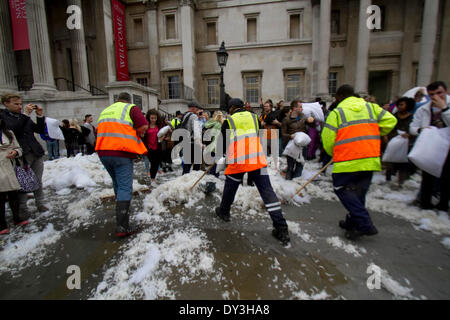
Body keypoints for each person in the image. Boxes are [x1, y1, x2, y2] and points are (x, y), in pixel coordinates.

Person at [321, 84, 397, 240]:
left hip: (347, 159)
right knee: (358, 193)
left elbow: (327, 139)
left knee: (342, 188)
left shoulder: (337, 113)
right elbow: (391, 121)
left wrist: (333, 152)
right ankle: (352, 223)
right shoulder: (371, 108)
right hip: (369, 159)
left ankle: (364, 224)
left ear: (340, 96)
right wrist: (374, 133)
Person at [215, 98, 291, 246]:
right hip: (257, 160)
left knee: (230, 188)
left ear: (231, 108)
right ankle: (281, 228)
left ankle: (224, 212)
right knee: (268, 193)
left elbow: (224, 142)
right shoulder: (255, 117)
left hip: (238, 162)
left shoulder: (229, 121)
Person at [96, 92, 149, 237]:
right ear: (128, 100)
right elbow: (143, 125)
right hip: (121, 153)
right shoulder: (131, 108)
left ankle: (121, 220)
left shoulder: (106, 110)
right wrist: (138, 135)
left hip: (103, 152)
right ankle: (122, 227)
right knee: (125, 187)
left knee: (118, 184)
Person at [0, 93, 49, 214]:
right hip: (20, 154)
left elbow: (39, 129)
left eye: (21, 104)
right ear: (6, 104)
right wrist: (26, 114)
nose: (19, 106)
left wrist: (40, 116)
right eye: (16, 104)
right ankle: (23, 208)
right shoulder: (4, 116)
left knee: (38, 179)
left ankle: (40, 203)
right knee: (22, 181)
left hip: (35, 151)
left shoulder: (23, 117)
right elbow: (14, 129)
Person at [409, 81, 450, 212]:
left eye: (439, 93)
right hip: (432, 146)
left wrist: (444, 109)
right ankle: (425, 203)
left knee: (446, 177)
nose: (436, 97)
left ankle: (443, 204)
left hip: (448, 147)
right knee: (427, 176)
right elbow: (412, 128)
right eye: (432, 94)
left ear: (446, 91)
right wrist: (421, 130)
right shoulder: (424, 109)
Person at [0, 119, 29, 235]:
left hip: (9, 166)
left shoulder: (9, 133)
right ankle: (2, 224)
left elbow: (18, 148)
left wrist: (15, 153)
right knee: (0, 198)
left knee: (13, 195)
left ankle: (17, 218)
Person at [384, 97, 416, 188]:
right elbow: (388, 127)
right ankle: (388, 180)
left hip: (406, 144)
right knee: (390, 162)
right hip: (393, 142)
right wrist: (386, 136)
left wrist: (408, 135)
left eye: (402, 105)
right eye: (398, 105)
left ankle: (401, 182)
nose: (399, 107)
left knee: (404, 164)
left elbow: (414, 130)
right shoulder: (393, 116)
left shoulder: (412, 118)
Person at [281, 100, 314, 180]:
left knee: (300, 166)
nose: (302, 109)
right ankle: (288, 185)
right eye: (300, 107)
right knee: (290, 167)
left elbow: (311, 125)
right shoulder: (286, 120)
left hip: (303, 146)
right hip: (292, 146)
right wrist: (290, 136)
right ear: (295, 108)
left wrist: (312, 120)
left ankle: (296, 184)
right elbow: (283, 134)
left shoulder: (303, 116)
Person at [177, 101, 203, 175]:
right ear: (193, 108)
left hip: (186, 142)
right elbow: (196, 131)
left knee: (187, 164)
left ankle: (184, 180)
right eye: (197, 108)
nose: (198, 110)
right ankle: (194, 180)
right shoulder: (194, 116)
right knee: (197, 164)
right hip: (193, 143)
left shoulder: (184, 115)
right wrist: (200, 143)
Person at [144, 109, 163, 183]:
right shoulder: (146, 126)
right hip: (149, 148)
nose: (153, 120)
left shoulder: (159, 125)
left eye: (155, 118)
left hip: (158, 147)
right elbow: (143, 136)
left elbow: (164, 134)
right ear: (149, 117)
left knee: (156, 163)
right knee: (153, 163)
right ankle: (152, 178)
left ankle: (153, 178)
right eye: (152, 118)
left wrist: (162, 138)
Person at [204, 110, 224, 177]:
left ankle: (212, 179)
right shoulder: (223, 124)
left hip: (213, 147)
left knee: (212, 164)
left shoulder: (215, 124)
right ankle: (216, 177)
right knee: (217, 164)